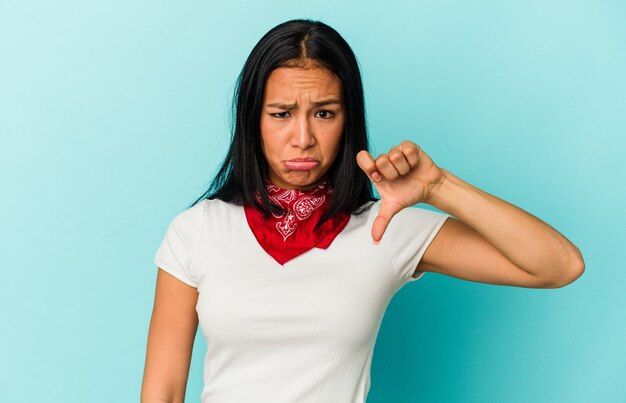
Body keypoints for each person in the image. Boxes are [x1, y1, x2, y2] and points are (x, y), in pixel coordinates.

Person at [141, 19, 584, 403]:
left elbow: (558, 266)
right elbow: (162, 393)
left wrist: (439, 186)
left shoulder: (386, 227)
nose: (302, 138)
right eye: (281, 114)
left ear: (348, 120)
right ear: (252, 120)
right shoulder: (198, 230)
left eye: (324, 113)